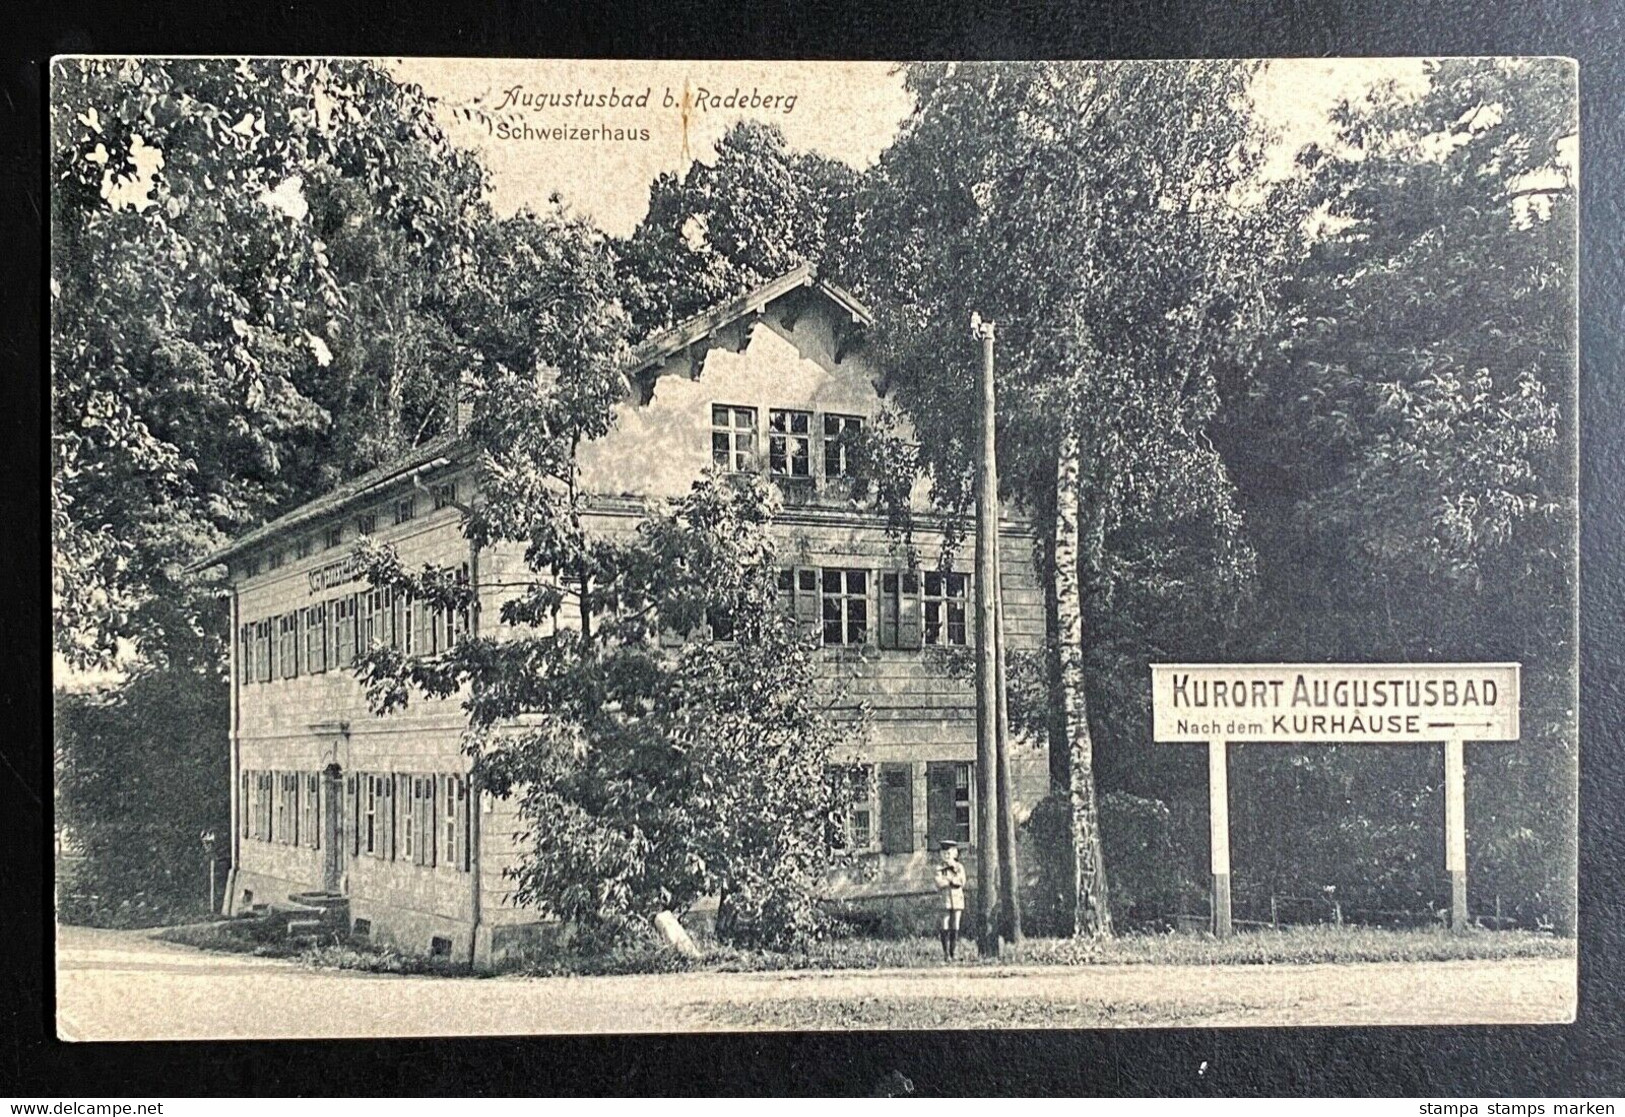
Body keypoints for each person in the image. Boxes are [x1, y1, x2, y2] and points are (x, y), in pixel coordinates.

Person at [933, 838, 967, 960]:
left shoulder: (959, 867)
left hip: (957, 898)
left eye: (949, 853)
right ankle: (946, 953)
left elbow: (962, 881)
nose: (946, 856)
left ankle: (954, 952)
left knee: (955, 924)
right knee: (945, 924)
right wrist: (950, 881)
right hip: (945, 899)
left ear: (955, 854)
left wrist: (951, 880)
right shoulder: (939, 868)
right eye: (944, 853)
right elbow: (939, 882)